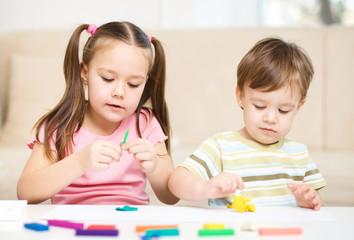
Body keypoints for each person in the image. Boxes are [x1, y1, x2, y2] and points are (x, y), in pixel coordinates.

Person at [17, 22, 179, 205]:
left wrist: (155, 165)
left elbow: (171, 197)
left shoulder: (146, 124)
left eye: (133, 84)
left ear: (145, 83)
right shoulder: (59, 125)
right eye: (108, 79)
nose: (119, 92)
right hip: (74, 227)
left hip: (130, 225)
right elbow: (25, 193)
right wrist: (80, 162)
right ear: (84, 73)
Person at [168, 37, 326, 211]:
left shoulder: (299, 155)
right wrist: (205, 188)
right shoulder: (221, 147)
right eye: (259, 106)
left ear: (298, 107)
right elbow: (176, 182)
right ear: (240, 96)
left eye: (283, 110)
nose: (271, 118)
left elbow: (316, 203)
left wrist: (309, 200)